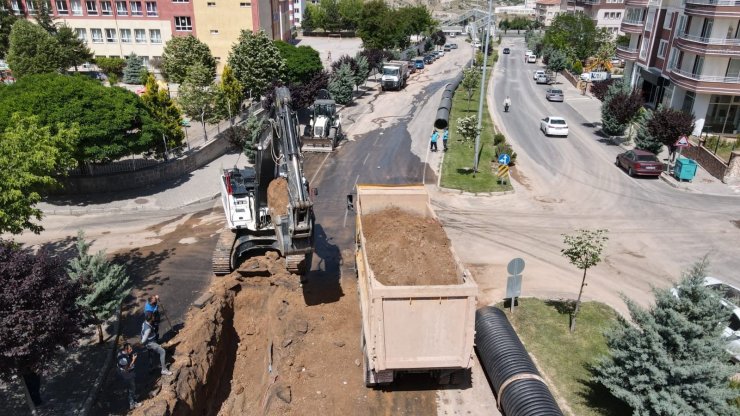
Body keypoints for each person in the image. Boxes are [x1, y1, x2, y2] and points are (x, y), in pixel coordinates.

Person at [117, 343, 141, 410]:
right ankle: (132, 404)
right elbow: (126, 369)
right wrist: (133, 360)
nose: (131, 350)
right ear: (126, 349)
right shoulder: (123, 359)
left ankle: (133, 397)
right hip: (127, 375)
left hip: (128, 374)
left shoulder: (122, 353)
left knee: (132, 388)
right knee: (131, 388)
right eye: (130, 349)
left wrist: (130, 356)